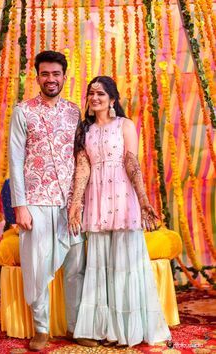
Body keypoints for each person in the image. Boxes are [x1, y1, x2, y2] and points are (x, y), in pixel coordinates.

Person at [69, 76, 172, 347]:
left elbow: (131, 161)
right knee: (100, 266)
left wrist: (143, 198)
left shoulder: (124, 125)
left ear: (113, 99)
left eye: (101, 94)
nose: (95, 98)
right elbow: (83, 167)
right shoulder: (84, 130)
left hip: (123, 197)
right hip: (97, 198)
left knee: (125, 266)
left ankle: (128, 331)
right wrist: (76, 204)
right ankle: (105, 330)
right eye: (91, 93)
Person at [9, 51, 86, 351]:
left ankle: (75, 326)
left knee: (76, 267)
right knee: (37, 267)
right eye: (45, 74)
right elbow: (15, 160)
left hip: (70, 204)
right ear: (37, 76)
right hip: (36, 201)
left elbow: (81, 158)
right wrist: (20, 205)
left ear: (65, 76)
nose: (51, 79)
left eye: (56, 74)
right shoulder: (23, 111)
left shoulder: (75, 112)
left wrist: (80, 201)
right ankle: (41, 329)